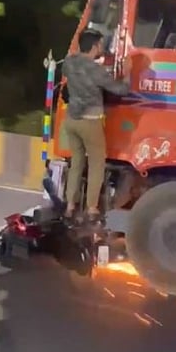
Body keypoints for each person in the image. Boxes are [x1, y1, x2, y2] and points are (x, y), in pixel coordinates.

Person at [61, 29, 132, 222]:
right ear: (94, 46)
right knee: (96, 163)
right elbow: (121, 89)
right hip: (90, 121)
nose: (102, 47)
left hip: (71, 120)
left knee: (76, 162)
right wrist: (127, 73)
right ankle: (92, 207)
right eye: (100, 44)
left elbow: (77, 70)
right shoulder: (96, 70)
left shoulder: (69, 63)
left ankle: (70, 205)